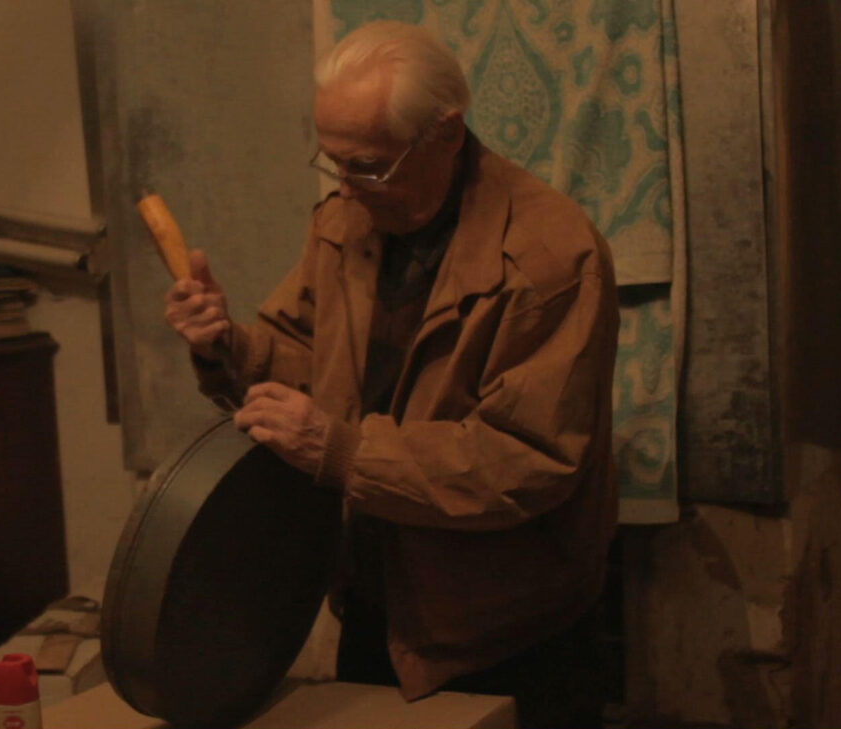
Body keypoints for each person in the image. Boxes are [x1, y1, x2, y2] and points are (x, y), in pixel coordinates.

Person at [163, 20, 620, 729]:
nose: (347, 188)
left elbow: (526, 458)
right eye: (334, 163)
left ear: (446, 133)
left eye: (368, 166)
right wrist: (228, 348)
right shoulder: (346, 223)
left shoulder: (549, 259)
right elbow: (305, 360)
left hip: (505, 628)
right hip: (377, 600)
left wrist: (343, 452)